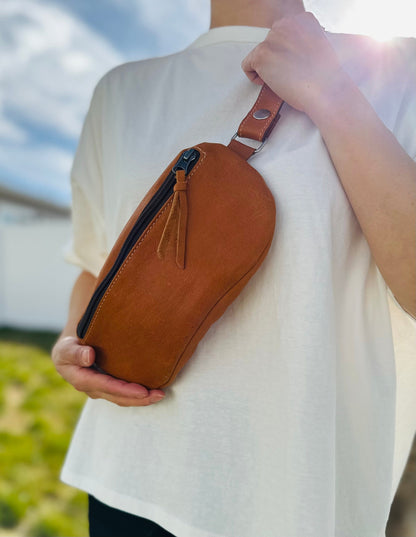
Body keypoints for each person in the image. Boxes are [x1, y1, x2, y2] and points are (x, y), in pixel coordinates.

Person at [51, 0, 416, 535]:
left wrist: (332, 96)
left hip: (293, 504)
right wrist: (72, 340)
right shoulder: (119, 92)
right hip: (122, 476)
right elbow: (92, 264)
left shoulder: (398, 70)